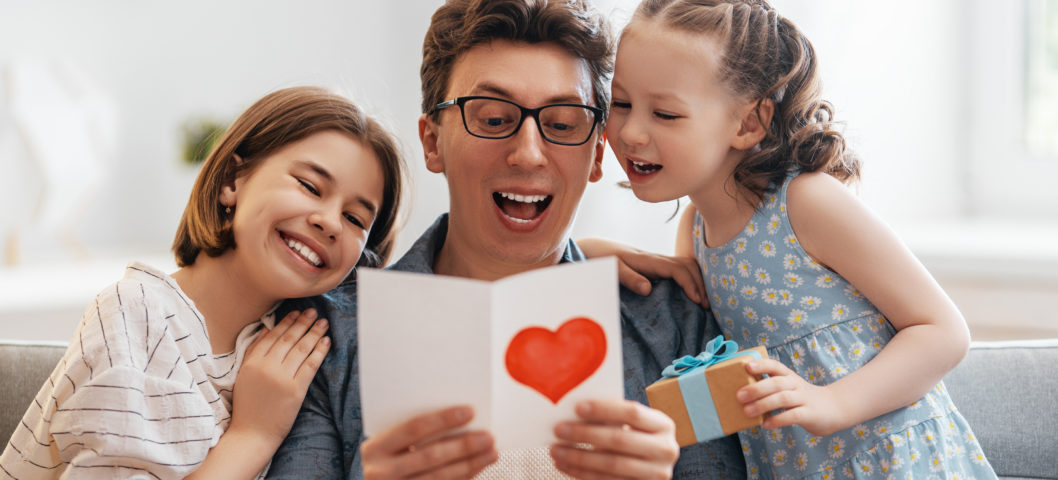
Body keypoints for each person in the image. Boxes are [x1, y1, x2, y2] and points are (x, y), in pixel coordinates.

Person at [266, 1, 747, 479]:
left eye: (562, 124)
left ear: (598, 154)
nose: (528, 153)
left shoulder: (678, 327)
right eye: (493, 118)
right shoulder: (322, 338)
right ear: (433, 142)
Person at [593, 0, 999, 477]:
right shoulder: (696, 230)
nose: (631, 132)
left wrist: (831, 402)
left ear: (748, 123)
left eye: (665, 113)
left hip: (892, 463)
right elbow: (696, 348)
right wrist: (588, 256)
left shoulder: (805, 203)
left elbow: (943, 331)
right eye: (621, 103)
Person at [0, 86, 406, 479]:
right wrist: (254, 435)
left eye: (356, 219)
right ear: (233, 179)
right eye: (310, 186)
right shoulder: (134, 314)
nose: (330, 222)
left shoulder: (299, 348)